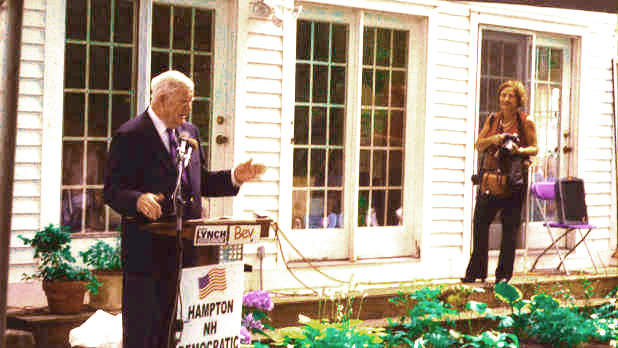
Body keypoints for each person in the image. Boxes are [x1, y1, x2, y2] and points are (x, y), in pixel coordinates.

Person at [103, 70, 265, 348]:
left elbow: (199, 182)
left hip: (190, 250)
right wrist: (138, 199)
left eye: (191, 101)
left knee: (183, 330)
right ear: (163, 100)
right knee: (146, 330)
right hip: (148, 250)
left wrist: (235, 177)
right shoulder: (130, 135)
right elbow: (112, 191)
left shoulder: (189, 133)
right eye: (184, 101)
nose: (189, 108)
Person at [462, 80, 538, 284]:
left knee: (509, 227)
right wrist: (495, 139)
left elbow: (535, 148)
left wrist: (518, 150)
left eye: (511, 96)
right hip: (490, 179)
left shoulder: (525, 121)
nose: (506, 99)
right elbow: (479, 145)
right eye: (503, 95)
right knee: (480, 222)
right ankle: (476, 271)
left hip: (513, 181)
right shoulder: (492, 119)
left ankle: (503, 276)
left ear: (518, 100)